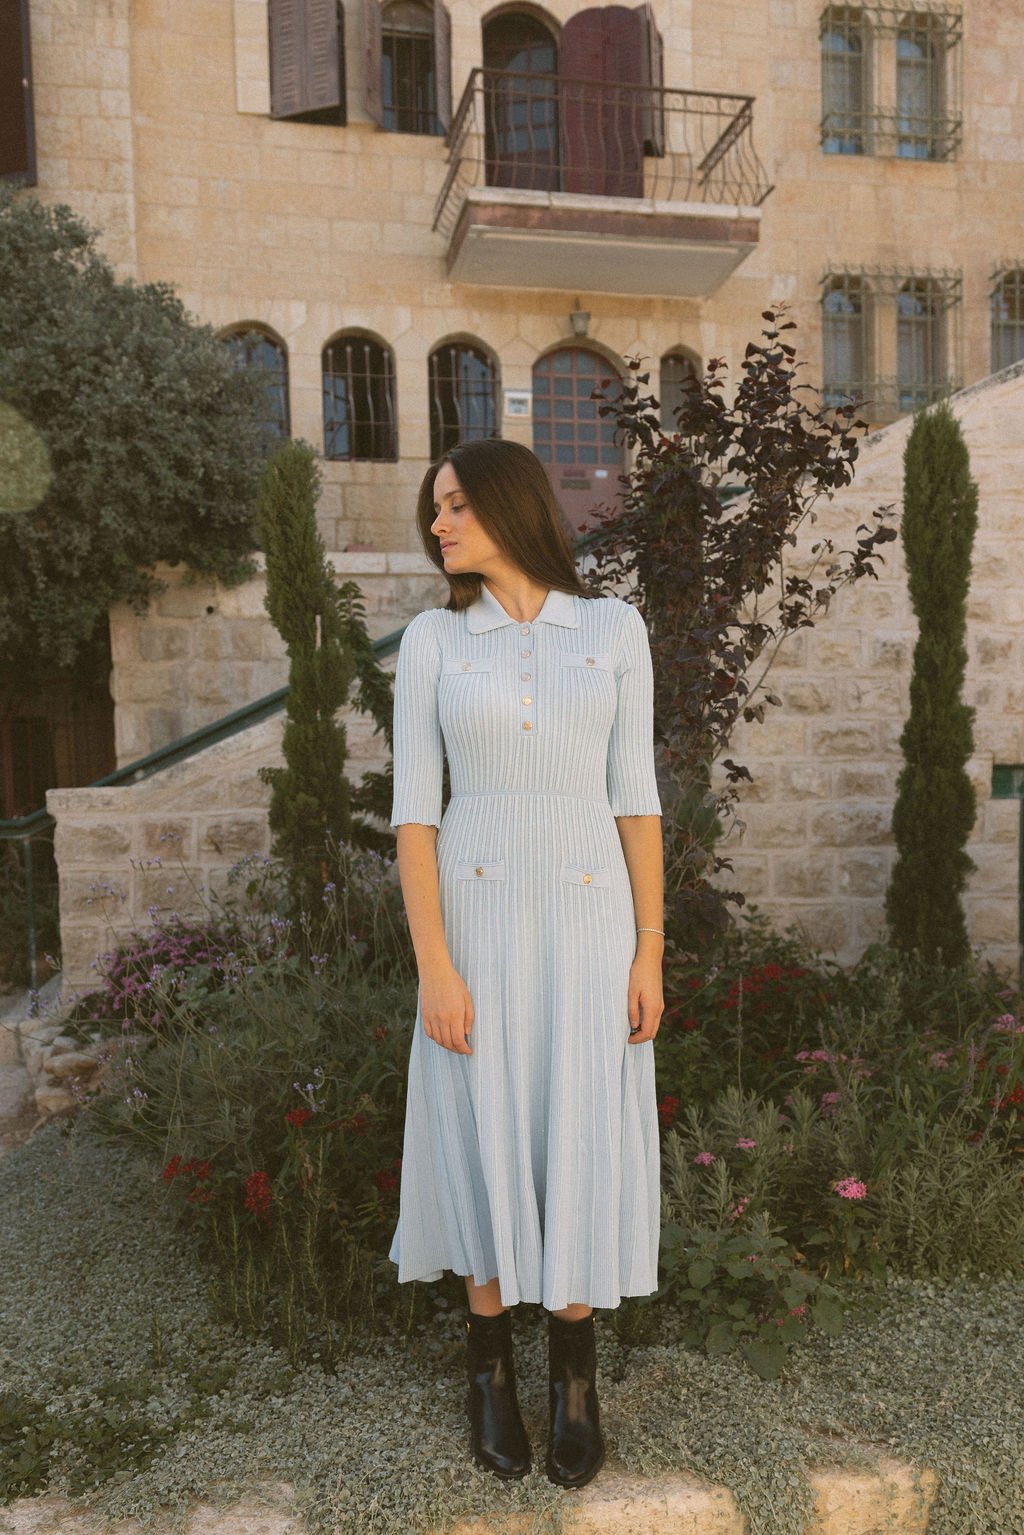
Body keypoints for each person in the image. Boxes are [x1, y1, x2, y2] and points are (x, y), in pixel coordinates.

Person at [387, 438, 665, 1490]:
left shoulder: (611, 627)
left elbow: (635, 800)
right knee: (485, 1118)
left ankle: (577, 1385)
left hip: (592, 919)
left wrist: (648, 949)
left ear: (510, 506)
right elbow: (415, 819)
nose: (439, 524)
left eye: (455, 504)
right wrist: (435, 967)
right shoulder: (432, 641)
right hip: (477, 917)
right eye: (435, 508)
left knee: (579, 1120)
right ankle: (490, 1370)